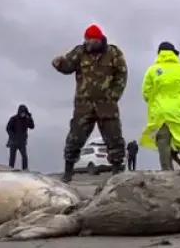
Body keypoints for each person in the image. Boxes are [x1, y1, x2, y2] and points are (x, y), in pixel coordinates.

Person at [53, 24, 128, 183]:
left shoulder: (113, 53)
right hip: (84, 105)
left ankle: (116, 172)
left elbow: (122, 74)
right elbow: (68, 67)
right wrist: (59, 64)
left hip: (106, 104)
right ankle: (68, 172)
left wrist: (114, 95)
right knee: (75, 137)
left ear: (99, 40)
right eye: (87, 40)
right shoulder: (80, 52)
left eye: (92, 40)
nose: (88, 43)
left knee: (114, 138)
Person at [139, 42, 180, 172]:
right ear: (173, 53)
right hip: (177, 110)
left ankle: (167, 169)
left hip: (159, 112)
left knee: (163, 141)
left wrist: (155, 104)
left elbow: (146, 93)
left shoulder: (152, 70)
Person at [6, 104, 35, 170]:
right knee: (12, 157)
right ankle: (10, 169)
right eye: (22, 113)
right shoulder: (13, 119)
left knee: (24, 157)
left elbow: (32, 126)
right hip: (13, 142)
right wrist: (13, 136)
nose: (23, 114)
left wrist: (30, 118)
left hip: (22, 142)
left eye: (24, 113)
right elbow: (8, 128)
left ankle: (25, 170)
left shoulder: (26, 119)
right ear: (19, 112)